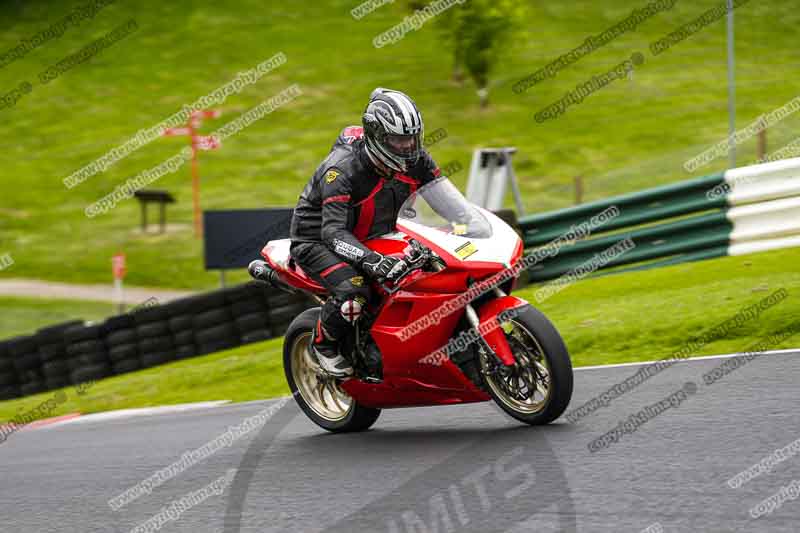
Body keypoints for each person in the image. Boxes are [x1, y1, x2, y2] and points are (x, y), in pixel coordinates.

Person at [289, 88, 442, 377]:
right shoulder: (341, 171)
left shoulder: (417, 158)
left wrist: (469, 225)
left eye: (412, 137)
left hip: (377, 232)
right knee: (355, 289)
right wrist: (371, 260)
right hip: (316, 240)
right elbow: (333, 232)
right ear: (377, 136)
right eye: (398, 139)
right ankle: (323, 347)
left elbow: (445, 198)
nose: (408, 146)